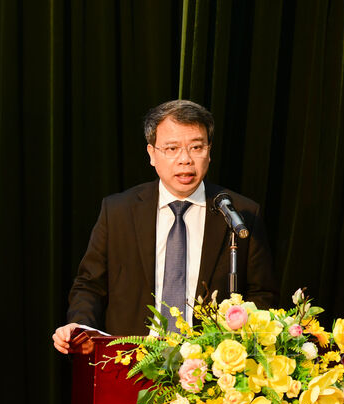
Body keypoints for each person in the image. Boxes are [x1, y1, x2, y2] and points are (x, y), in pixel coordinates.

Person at [52, 100, 277, 354]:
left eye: (196, 147)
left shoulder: (240, 213)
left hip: (210, 365)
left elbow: (262, 293)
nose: (185, 160)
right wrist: (81, 326)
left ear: (209, 151)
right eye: (172, 148)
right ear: (152, 154)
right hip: (131, 360)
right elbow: (90, 285)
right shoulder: (118, 211)